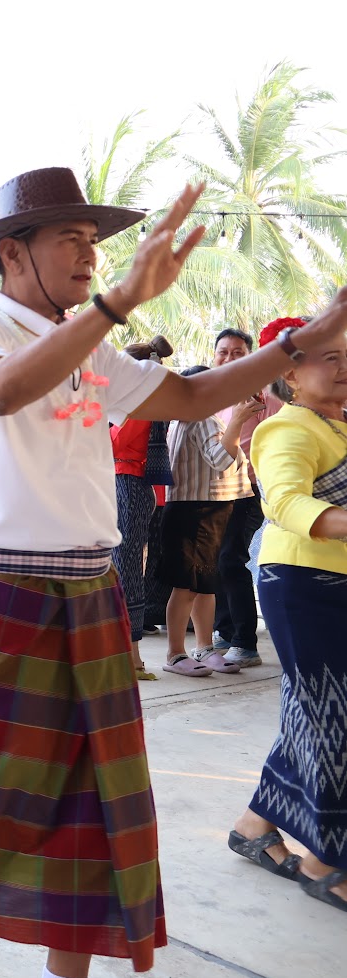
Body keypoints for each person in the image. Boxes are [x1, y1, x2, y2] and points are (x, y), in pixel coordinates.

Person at [0, 168, 347, 978]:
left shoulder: (92, 346)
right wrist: (116, 306)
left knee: (92, 809)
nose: (89, 255)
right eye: (70, 238)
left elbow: (192, 396)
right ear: (11, 251)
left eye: (94, 242)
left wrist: (298, 343)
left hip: (91, 591)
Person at [227, 317, 347, 914]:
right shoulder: (287, 429)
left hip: (339, 582)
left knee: (318, 714)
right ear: (291, 375)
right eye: (329, 357)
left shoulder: (340, 425)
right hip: (302, 585)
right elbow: (286, 500)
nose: (344, 367)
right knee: (332, 718)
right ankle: (325, 858)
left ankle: (254, 827)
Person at [159, 363, 262, 676]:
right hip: (196, 510)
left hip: (203, 509)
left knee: (204, 584)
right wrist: (240, 420)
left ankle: (204, 648)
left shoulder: (185, 418)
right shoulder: (202, 418)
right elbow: (220, 459)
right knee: (188, 585)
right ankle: (176, 654)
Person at [210, 327, 277, 667]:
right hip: (216, 492)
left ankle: (245, 643)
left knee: (230, 559)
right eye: (224, 352)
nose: (230, 357)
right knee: (217, 560)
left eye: (238, 352)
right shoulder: (212, 394)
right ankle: (223, 630)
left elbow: (281, 437)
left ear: (250, 356)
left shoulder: (265, 394)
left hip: (249, 490)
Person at [110, 335, 174, 681]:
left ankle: (131, 656)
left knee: (125, 569)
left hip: (128, 485)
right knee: (124, 567)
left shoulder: (137, 404)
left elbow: (116, 443)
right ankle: (128, 654)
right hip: (128, 486)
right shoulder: (144, 401)